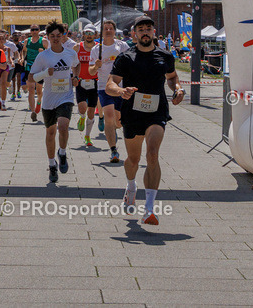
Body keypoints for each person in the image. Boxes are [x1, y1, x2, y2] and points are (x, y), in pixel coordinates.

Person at [107, 15, 184, 226]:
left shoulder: (165, 56)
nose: (145, 32)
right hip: (132, 113)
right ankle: (131, 186)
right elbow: (110, 84)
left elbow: (172, 77)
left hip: (156, 112)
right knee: (133, 160)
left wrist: (177, 89)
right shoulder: (126, 57)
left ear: (153, 32)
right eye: (140, 29)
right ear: (134, 34)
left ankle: (149, 209)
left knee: (152, 153)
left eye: (148, 28)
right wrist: (121, 90)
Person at [28, 21, 78, 183]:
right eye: (52, 36)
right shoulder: (43, 56)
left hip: (66, 96)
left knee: (63, 126)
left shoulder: (70, 54)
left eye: (58, 36)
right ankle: (52, 165)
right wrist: (44, 73)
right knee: (50, 132)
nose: (55, 39)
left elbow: (77, 66)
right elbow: (31, 78)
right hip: (49, 100)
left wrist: (76, 77)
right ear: (48, 38)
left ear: (63, 36)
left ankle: (62, 153)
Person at [90, 20, 129, 163]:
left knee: (118, 122)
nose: (108, 31)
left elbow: (131, 62)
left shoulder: (122, 46)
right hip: (103, 86)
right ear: (101, 32)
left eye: (110, 28)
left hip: (120, 87)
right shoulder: (96, 49)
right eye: (105, 28)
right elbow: (90, 70)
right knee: (109, 116)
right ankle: (113, 150)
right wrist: (96, 67)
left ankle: (114, 128)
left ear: (114, 31)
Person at [74, 25, 99, 147]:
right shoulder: (78, 47)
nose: (89, 35)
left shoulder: (99, 48)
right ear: (83, 34)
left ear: (95, 35)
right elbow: (72, 63)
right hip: (81, 81)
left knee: (91, 111)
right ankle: (81, 117)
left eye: (91, 33)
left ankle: (87, 136)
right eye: (87, 33)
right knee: (82, 107)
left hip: (95, 81)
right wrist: (73, 76)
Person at [22, 24, 46, 121]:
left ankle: (39, 101)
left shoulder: (43, 41)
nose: (34, 31)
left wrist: (43, 52)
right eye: (33, 29)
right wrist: (22, 58)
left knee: (39, 91)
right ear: (30, 31)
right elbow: (24, 51)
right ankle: (33, 112)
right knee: (31, 89)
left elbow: (49, 53)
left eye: (36, 29)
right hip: (29, 67)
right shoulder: (27, 41)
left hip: (40, 68)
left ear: (39, 30)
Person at [5, 32, 22, 101]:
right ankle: (13, 93)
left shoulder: (20, 44)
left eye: (17, 36)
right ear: (12, 37)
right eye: (14, 36)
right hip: (12, 62)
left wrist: (21, 59)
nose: (16, 37)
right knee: (13, 79)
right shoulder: (10, 44)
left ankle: (18, 91)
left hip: (18, 62)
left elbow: (21, 53)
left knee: (18, 76)